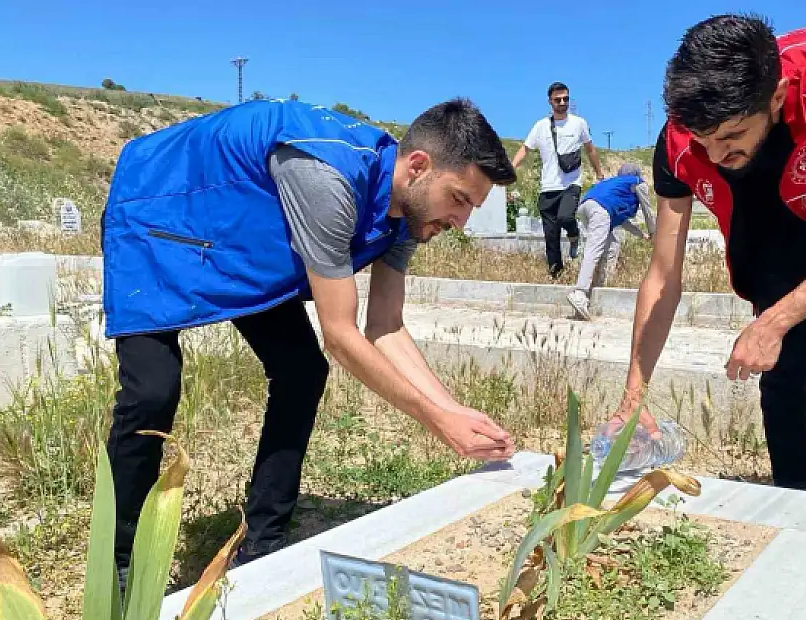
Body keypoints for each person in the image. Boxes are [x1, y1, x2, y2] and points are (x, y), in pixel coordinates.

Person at [100, 97, 518, 589]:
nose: (461, 222)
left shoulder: (408, 214)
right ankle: (120, 564)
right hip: (160, 218)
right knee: (152, 390)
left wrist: (454, 410)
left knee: (301, 370)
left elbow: (385, 326)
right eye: (460, 200)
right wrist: (434, 420)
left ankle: (262, 543)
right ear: (419, 167)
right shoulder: (326, 178)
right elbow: (340, 335)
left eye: (472, 207)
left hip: (240, 244)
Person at [609, 15, 806, 496]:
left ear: (777, 97)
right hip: (783, 195)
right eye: (703, 141)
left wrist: (770, 324)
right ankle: (794, 487)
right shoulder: (680, 140)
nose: (714, 156)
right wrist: (634, 395)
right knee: (780, 340)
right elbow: (662, 275)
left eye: (731, 137)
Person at [511, 82, 605, 279]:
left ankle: (574, 235)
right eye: (558, 99)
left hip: (571, 183)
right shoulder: (540, 126)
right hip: (548, 187)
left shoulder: (579, 123)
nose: (562, 103)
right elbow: (525, 148)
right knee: (551, 236)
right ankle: (556, 274)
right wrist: (512, 168)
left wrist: (599, 173)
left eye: (566, 99)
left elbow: (590, 149)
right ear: (550, 102)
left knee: (566, 218)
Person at [566, 163, 656, 320]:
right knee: (594, 250)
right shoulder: (638, 182)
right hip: (599, 210)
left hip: (586, 206)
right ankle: (580, 293)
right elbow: (648, 211)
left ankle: (599, 288)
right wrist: (654, 233)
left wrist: (643, 235)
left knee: (609, 247)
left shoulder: (615, 185)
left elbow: (621, 221)